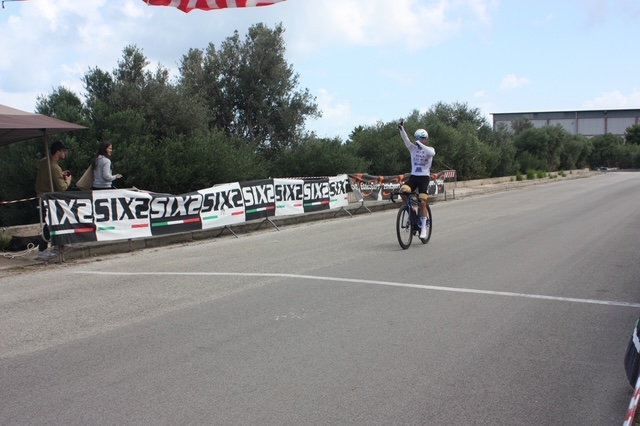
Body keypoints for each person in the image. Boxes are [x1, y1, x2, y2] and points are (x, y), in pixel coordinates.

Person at [34, 141, 72, 261]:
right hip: (49, 198)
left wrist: (60, 174)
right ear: (58, 152)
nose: (65, 153)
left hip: (41, 195)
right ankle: (43, 249)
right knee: (50, 223)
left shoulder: (44, 162)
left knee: (50, 222)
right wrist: (68, 180)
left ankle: (54, 246)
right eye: (63, 151)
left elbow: (48, 176)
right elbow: (62, 187)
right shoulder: (54, 166)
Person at [398, 120, 436, 239]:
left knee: (423, 202)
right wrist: (401, 129)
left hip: (424, 178)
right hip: (414, 177)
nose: (419, 140)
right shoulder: (412, 148)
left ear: (426, 140)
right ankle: (411, 210)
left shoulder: (429, 149)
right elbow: (405, 139)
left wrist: (421, 144)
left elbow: (432, 153)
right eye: (418, 138)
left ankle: (423, 227)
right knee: (403, 192)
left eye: (422, 138)